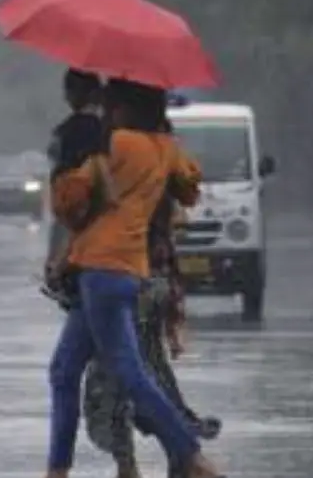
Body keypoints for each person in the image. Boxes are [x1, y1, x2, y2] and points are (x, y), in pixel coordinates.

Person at [45, 78, 225, 478]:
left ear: (124, 107)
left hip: (100, 270)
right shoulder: (164, 148)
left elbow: (70, 200)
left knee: (130, 371)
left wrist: (66, 164)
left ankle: (191, 456)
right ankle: (56, 470)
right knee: (64, 370)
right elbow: (190, 188)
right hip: (125, 270)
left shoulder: (114, 144)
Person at [83, 171, 222, 478]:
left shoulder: (121, 190)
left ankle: (180, 460)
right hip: (142, 290)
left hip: (129, 288)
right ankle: (172, 459)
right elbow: (169, 252)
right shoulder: (154, 183)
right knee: (144, 377)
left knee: (122, 382)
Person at [45, 68, 116, 289]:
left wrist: (54, 259)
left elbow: (67, 205)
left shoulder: (70, 132)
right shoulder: (113, 130)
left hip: (80, 234)